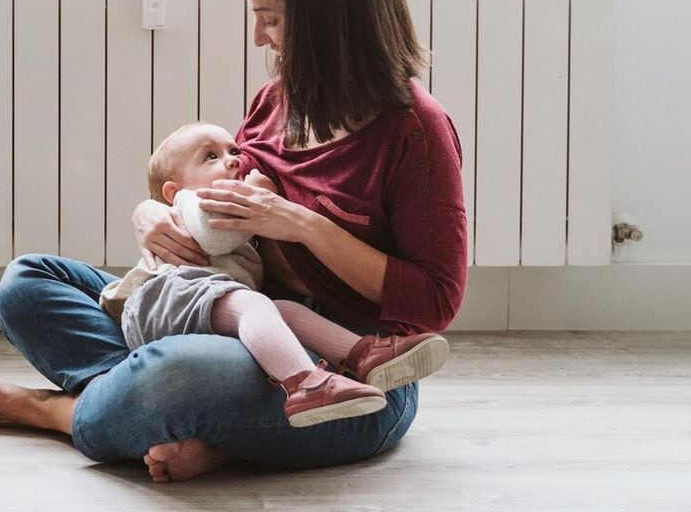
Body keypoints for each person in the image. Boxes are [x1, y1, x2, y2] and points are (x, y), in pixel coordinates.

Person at [0, 0, 469, 482]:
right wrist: (150, 212)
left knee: (181, 370)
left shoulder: (415, 130)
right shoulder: (280, 100)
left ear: (327, 20)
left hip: (348, 368)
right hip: (230, 309)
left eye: (269, 17)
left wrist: (303, 225)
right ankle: (196, 425)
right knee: (28, 280)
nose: (258, 36)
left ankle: (61, 412)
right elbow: (215, 200)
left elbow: (434, 303)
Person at [103, 121, 447, 428]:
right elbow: (214, 233)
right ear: (173, 192)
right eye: (210, 157)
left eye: (233, 150)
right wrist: (265, 199)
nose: (234, 160)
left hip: (208, 298)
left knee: (280, 310)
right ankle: (304, 383)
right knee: (253, 306)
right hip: (168, 298)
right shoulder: (192, 203)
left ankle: (363, 352)